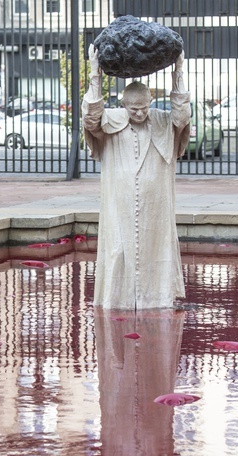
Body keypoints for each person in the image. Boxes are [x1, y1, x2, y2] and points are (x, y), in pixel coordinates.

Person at [82, 45, 191, 310]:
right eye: (133, 109)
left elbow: (182, 116)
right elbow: (90, 118)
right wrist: (95, 75)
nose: (139, 114)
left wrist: (178, 72)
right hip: (120, 205)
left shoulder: (162, 121)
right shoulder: (113, 121)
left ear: (151, 103)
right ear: (124, 105)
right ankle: (117, 300)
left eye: (143, 108)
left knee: (156, 250)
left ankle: (157, 300)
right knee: (119, 249)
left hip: (155, 205)